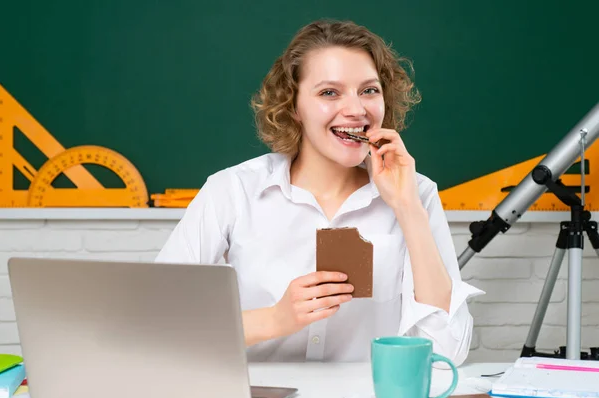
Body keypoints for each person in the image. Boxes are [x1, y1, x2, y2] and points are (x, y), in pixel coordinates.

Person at [155, 19, 484, 365]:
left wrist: (407, 208)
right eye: (330, 92)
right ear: (293, 106)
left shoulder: (416, 193)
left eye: (369, 90)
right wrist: (273, 320)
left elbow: (447, 353)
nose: (356, 110)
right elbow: (157, 321)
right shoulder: (233, 191)